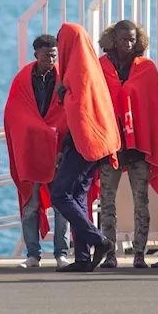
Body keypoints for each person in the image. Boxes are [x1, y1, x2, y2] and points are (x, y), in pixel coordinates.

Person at [98, 20, 158, 269]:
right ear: (113, 40)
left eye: (132, 39)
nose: (128, 44)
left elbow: (154, 105)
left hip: (139, 145)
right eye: (122, 39)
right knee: (107, 201)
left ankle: (139, 254)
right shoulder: (101, 67)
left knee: (142, 201)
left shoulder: (147, 68)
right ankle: (110, 254)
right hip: (111, 145)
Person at [52, 22, 122, 272]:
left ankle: (99, 240)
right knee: (79, 195)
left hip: (87, 141)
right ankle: (82, 258)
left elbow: (78, 107)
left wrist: (63, 93)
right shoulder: (87, 66)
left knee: (59, 193)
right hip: (87, 140)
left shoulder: (78, 71)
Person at [4, 33, 70, 269]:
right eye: (45, 56)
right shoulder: (22, 79)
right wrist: (34, 130)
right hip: (31, 150)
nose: (50, 60)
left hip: (58, 150)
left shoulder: (64, 79)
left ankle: (61, 253)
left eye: (53, 55)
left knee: (62, 203)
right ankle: (33, 254)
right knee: (30, 203)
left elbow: (68, 111)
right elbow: (14, 111)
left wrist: (56, 136)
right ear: (36, 55)